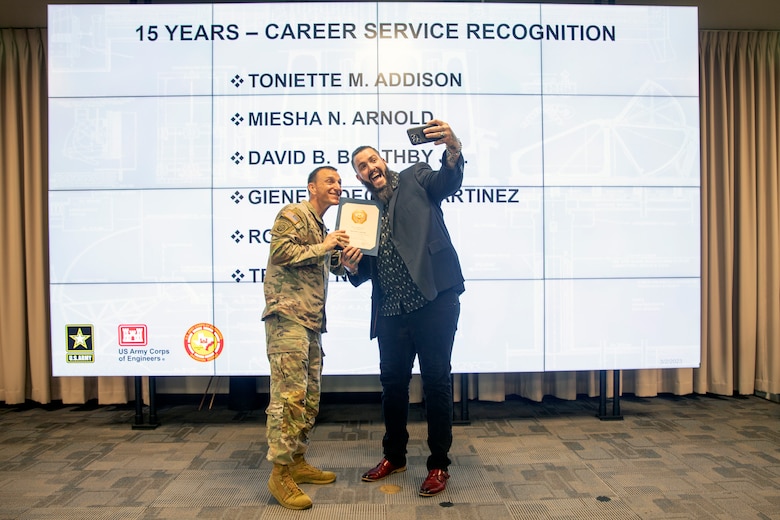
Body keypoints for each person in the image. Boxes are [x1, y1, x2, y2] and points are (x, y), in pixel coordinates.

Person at [340, 119, 465, 497]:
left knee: (436, 382)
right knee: (392, 386)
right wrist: (350, 265)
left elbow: (448, 182)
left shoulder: (416, 176)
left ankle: (439, 464)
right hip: (391, 309)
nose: (370, 167)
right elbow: (363, 271)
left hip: (434, 301)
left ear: (383, 161)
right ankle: (394, 455)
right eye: (361, 166)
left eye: (372, 159)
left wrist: (454, 148)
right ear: (359, 176)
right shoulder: (361, 216)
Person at [262, 165, 359, 510]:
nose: (337, 186)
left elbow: (328, 263)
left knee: (309, 397)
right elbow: (281, 254)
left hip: (311, 321)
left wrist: (345, 259)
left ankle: (297, 462)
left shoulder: (321, 226)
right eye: (329, 181)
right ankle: (279, 474)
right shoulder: (293, 213)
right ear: (311, 187)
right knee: (289, 398)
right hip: (287, 317)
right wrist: (326, 245)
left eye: (339, 181)